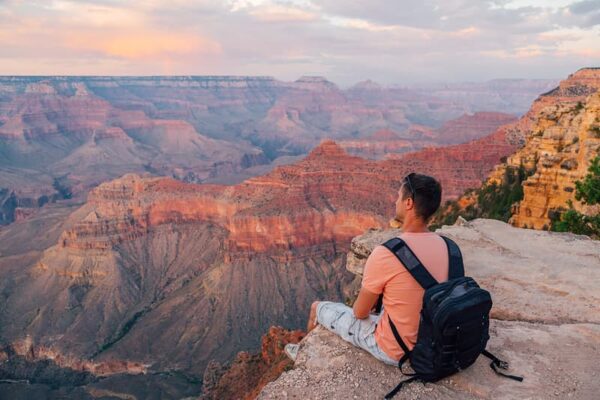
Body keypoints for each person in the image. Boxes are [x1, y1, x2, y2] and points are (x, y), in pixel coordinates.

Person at [285, 173, 448, 364]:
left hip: (396, 350)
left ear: (409, 203)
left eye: (398, 197)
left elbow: (360, 313)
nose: (395, 202)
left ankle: (303, 357)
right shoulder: (447, 247)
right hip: (432, 342)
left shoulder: (388, 253)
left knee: (317, 307)